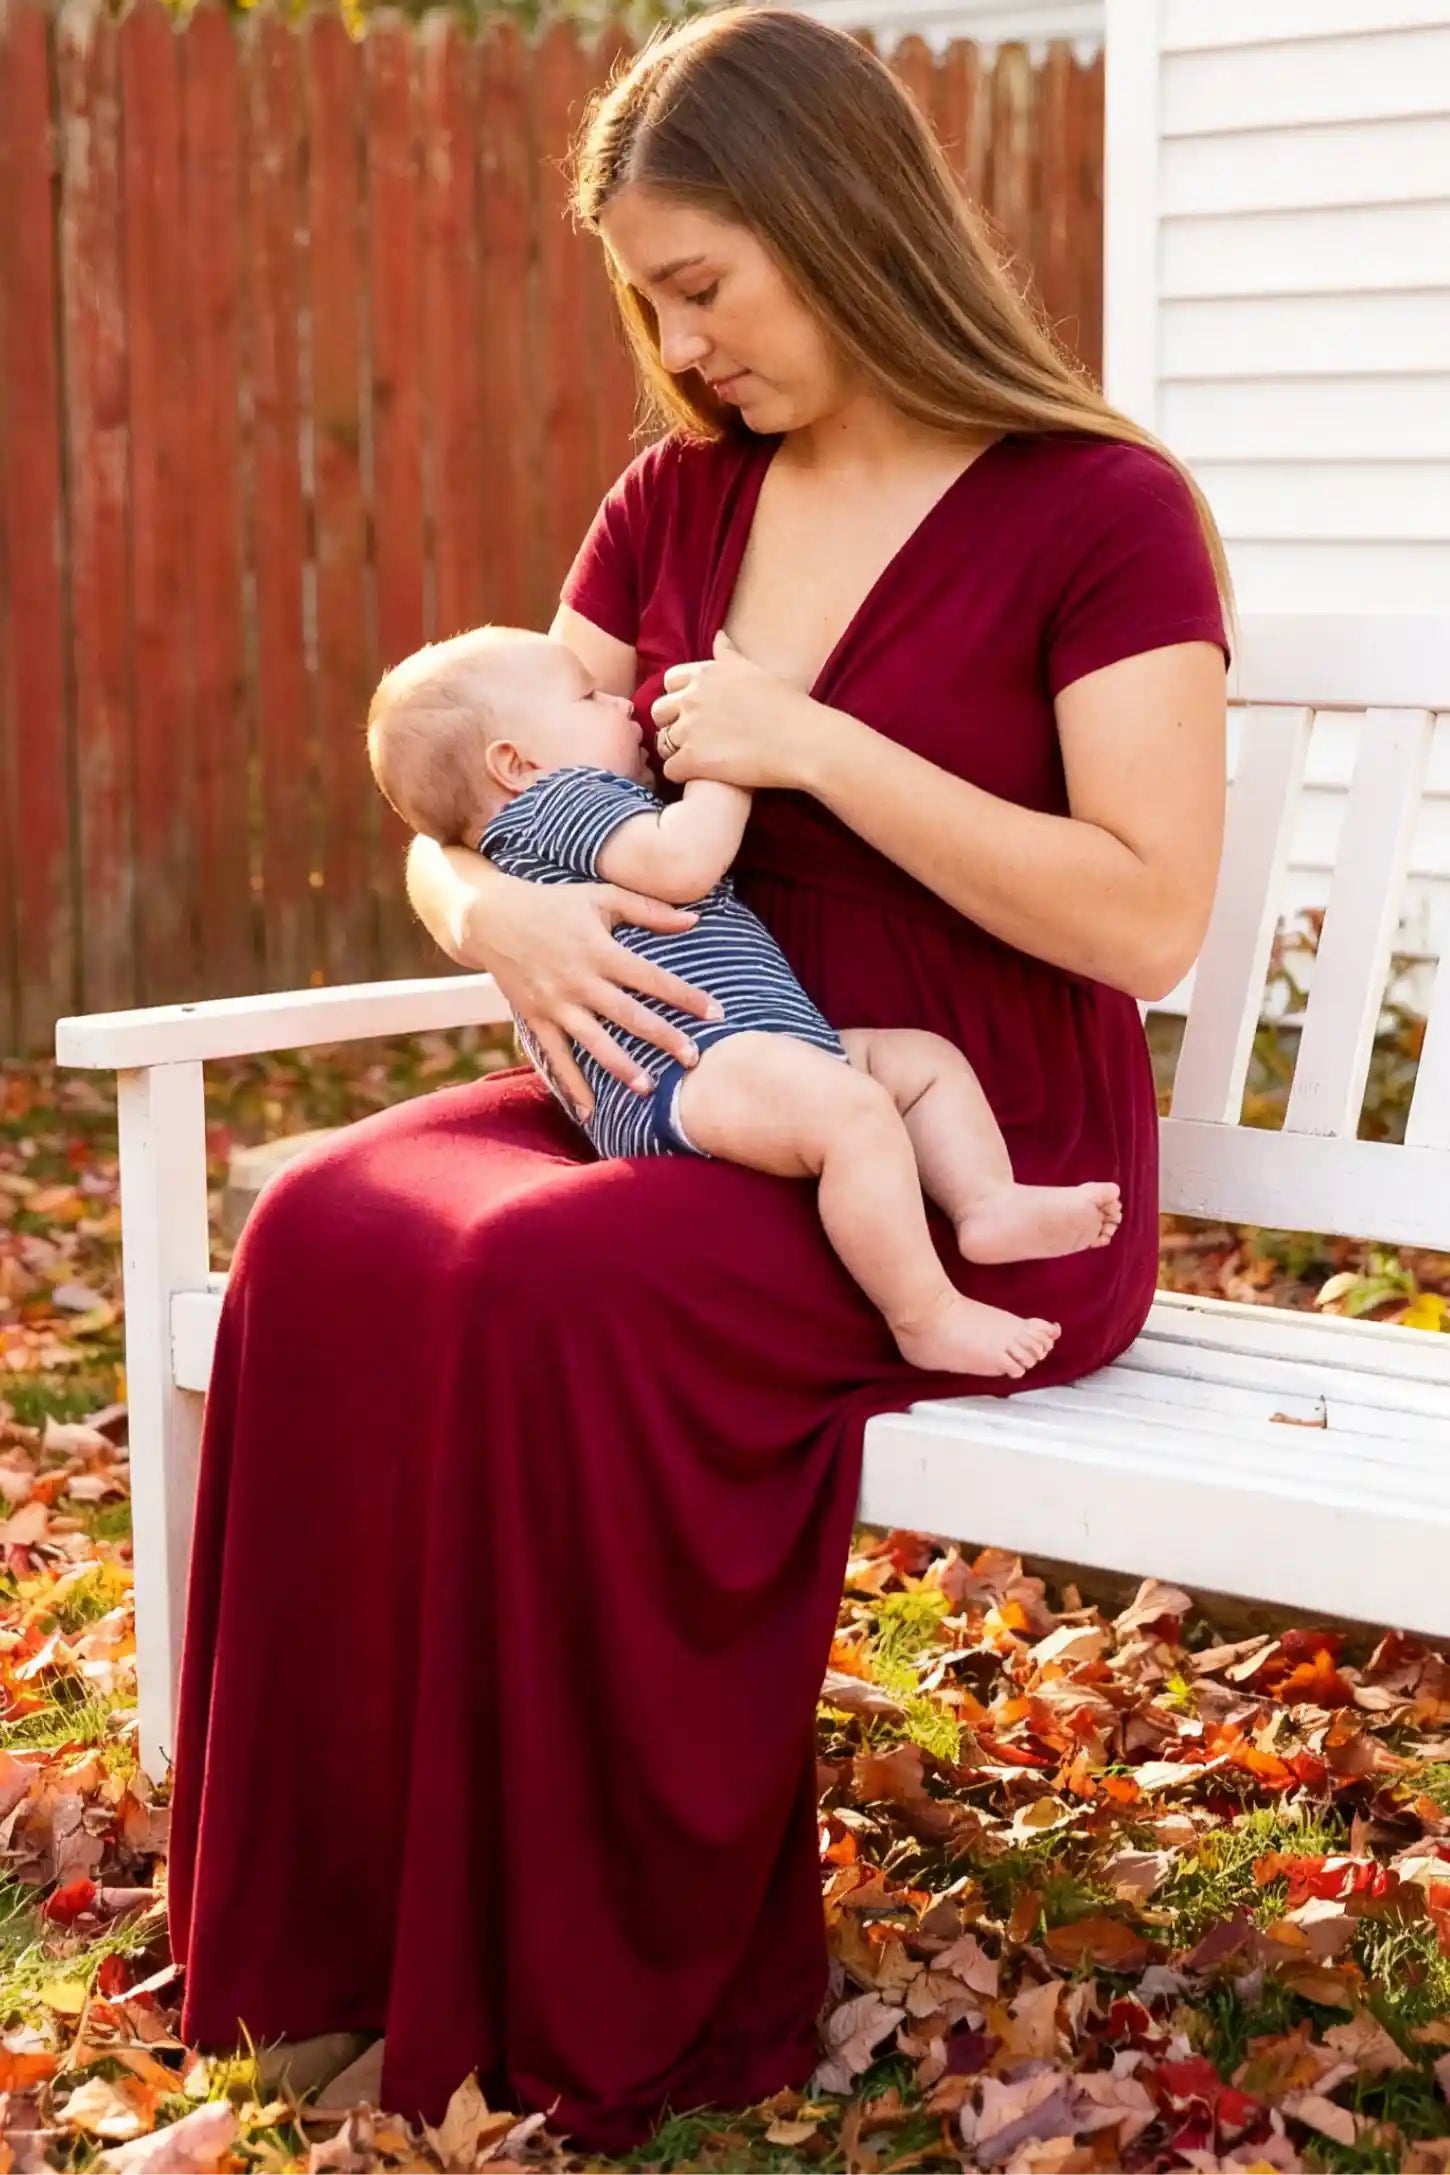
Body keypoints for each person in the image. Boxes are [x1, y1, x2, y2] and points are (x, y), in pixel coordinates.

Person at [165, 4, 1231, 2156]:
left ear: (834, 225)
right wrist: (489, 919)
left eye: (699, 285)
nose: (676, 339)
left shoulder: (1098, 513)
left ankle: (577, 1999)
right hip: (678, 1066)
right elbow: (468, 789)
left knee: (541, 1291)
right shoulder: (674, 499)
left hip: (955, 1147)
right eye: (646, 298)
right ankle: (336, 1952)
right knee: (326, 1222)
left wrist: (823, 747)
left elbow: (1143, 918)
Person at [366, 624, 1122, 1375]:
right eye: (590, 695)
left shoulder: (556, 805)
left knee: (920, 1065)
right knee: (855, 1113)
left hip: (751, 1046)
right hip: (684, 1069)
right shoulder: (555, 803)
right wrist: (732, 752)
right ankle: (925, 1312)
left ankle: (985, 1199)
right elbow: (686, 859)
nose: (623, 704)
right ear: (513, 763)